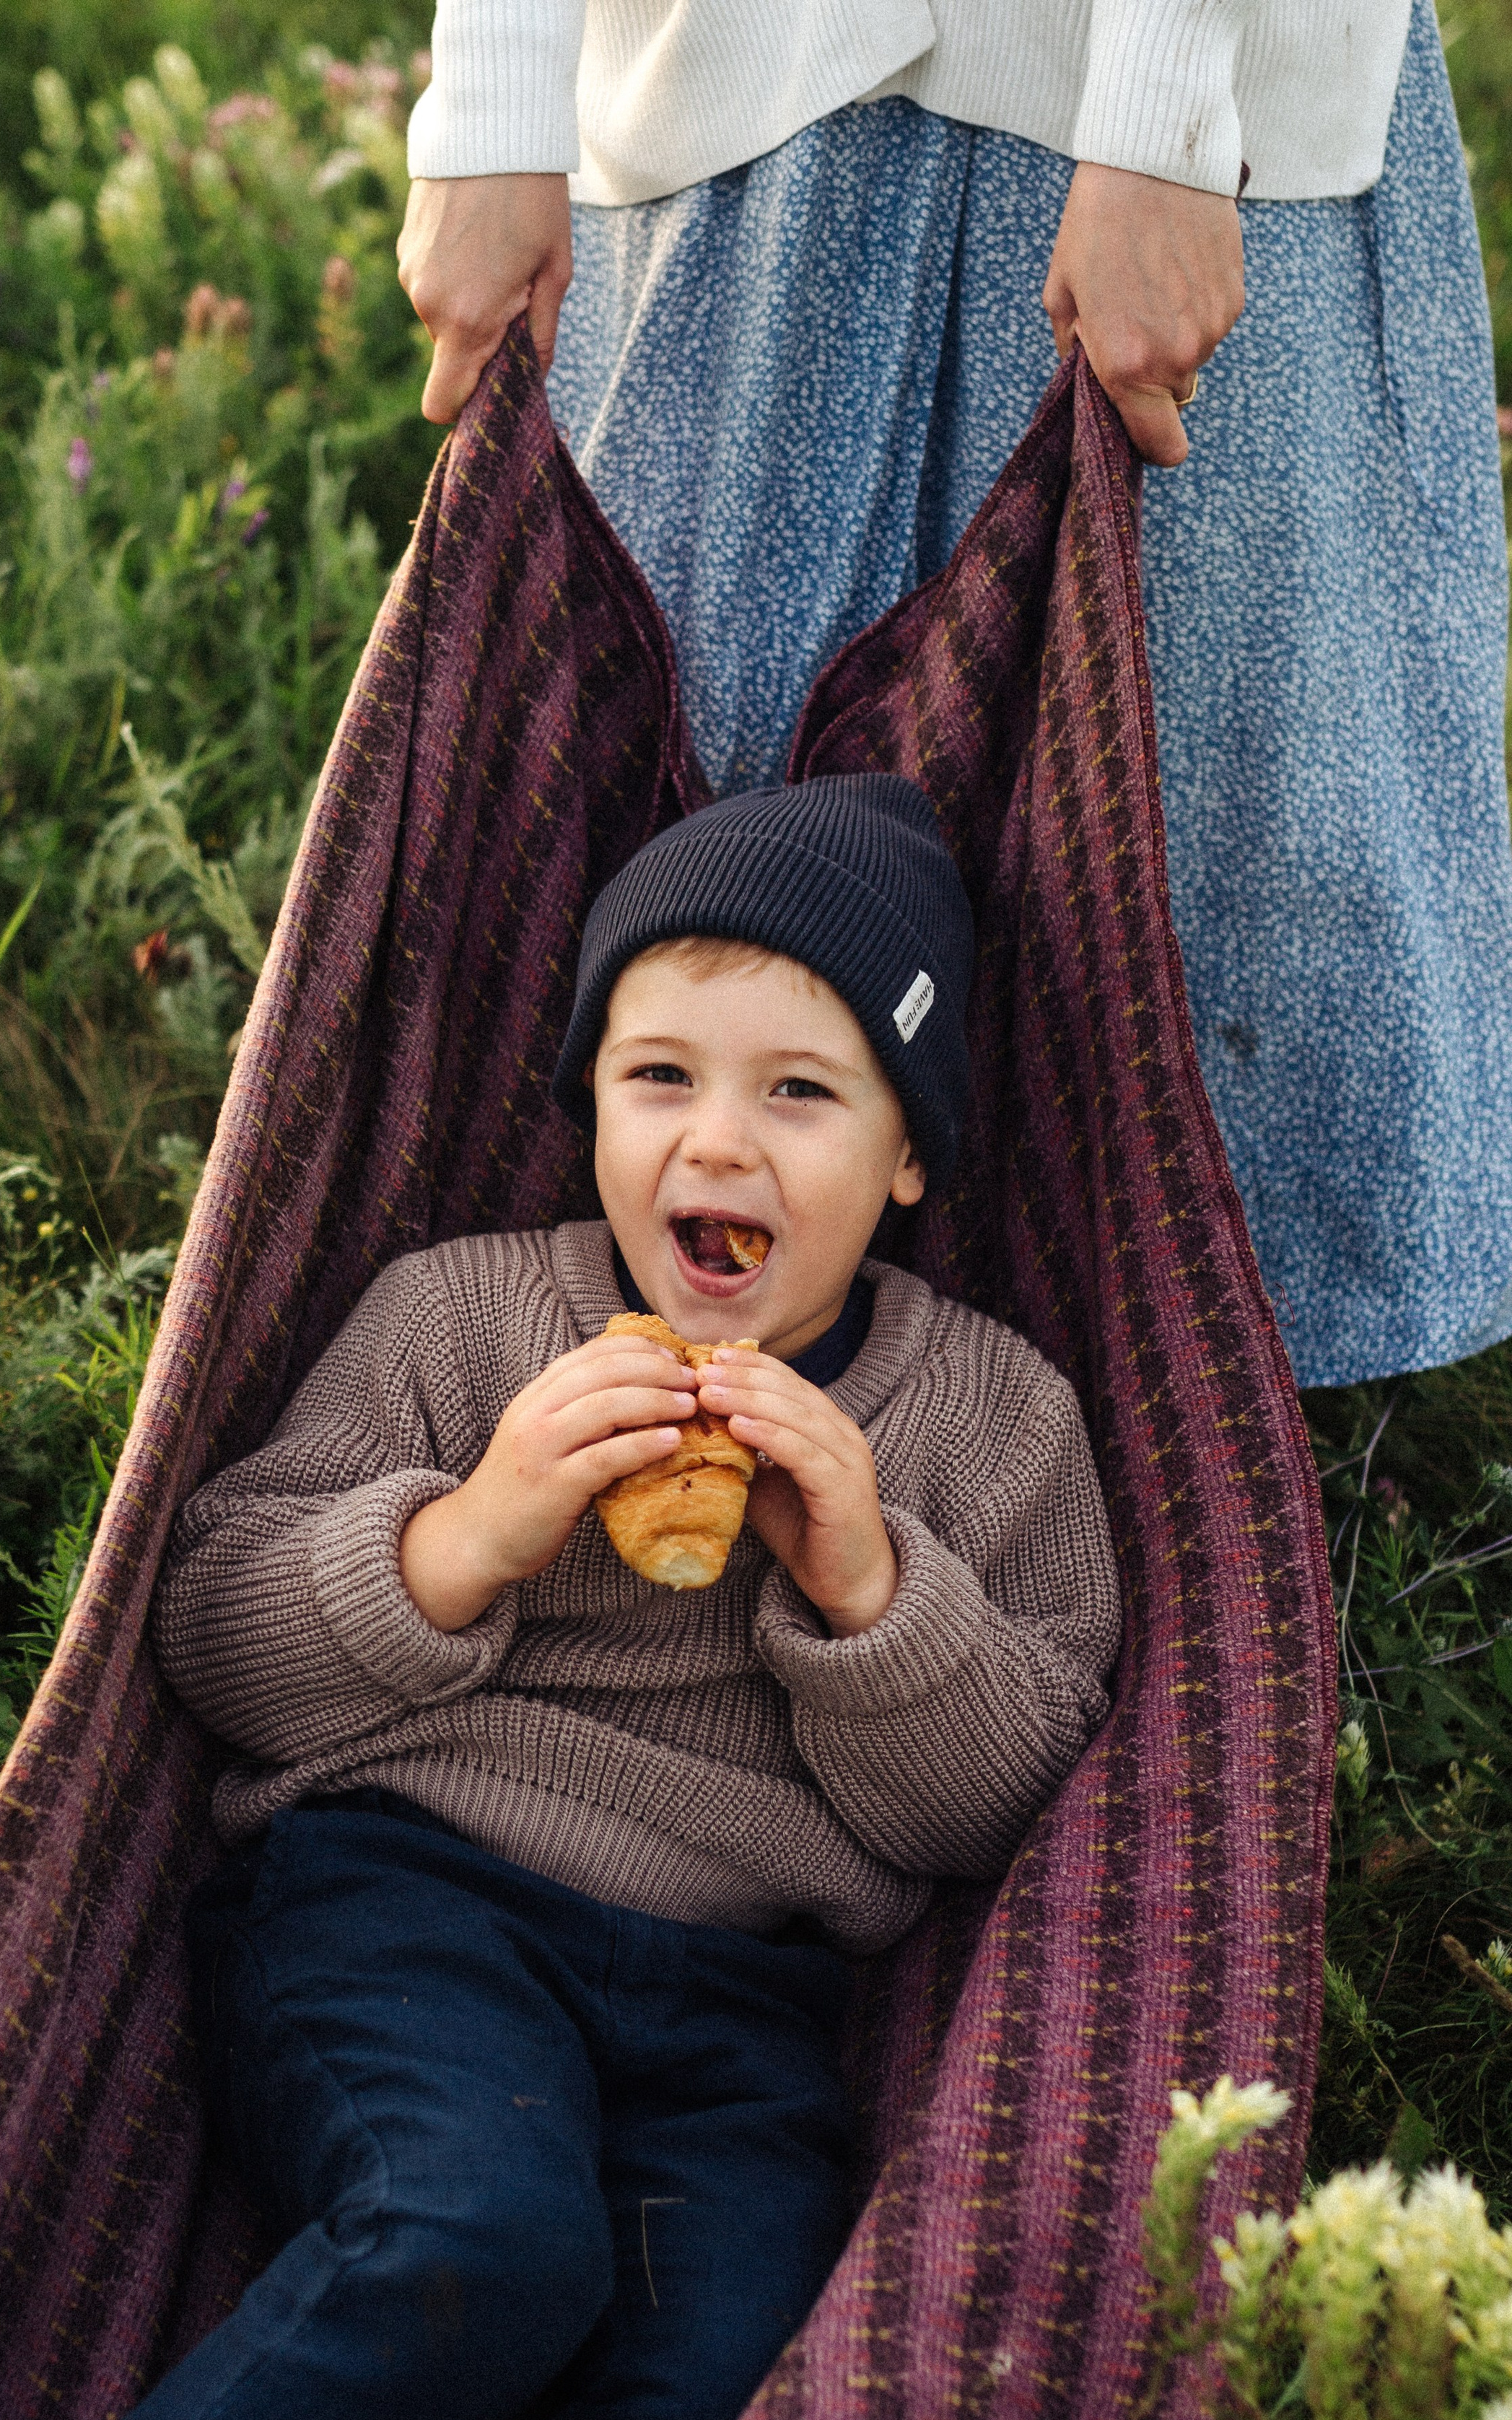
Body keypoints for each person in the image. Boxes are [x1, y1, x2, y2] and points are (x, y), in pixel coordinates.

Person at [0, 775, 1121, 2420]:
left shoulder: (993, 1422)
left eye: (799, 1094)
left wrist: (872, 1589)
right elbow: (216, 1642)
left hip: (744, 2011)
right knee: (482, 2245)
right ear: (588, 1103)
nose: (714, 1141)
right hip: (408, 1903)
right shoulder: (466, 1315)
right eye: (659, 1074)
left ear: (911, 1159)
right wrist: (472, 1532)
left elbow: (1006, 1811)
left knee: (716, 2380)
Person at [397, 0, 1512, 1396]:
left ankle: (1168, 1450)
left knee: (1165, 852)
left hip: (1150, 111)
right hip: (739, 85)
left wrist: (1165, 118)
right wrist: (495, 100)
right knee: (694, 826)